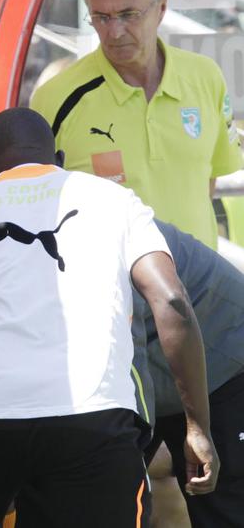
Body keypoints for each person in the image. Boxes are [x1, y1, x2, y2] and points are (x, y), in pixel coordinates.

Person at [0, 107, 218, 527]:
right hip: (95, 416)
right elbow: (172, 303)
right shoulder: (116, 201)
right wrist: (197, 427)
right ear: (58, 159)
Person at [30, 0, 242, 249]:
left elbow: (206, 179)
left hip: (197, 277)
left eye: (128, 14)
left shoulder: (206, 78)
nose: (115, 32)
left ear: (161, 8)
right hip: (107, 279)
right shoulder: (55, 98)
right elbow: (36, 205)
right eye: (101, 17)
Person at [134, 220, 244, 528]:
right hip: (150, 373)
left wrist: (198, 427)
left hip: (222, 360)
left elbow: (173, 302)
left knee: (223, 506)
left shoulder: (111, 222)